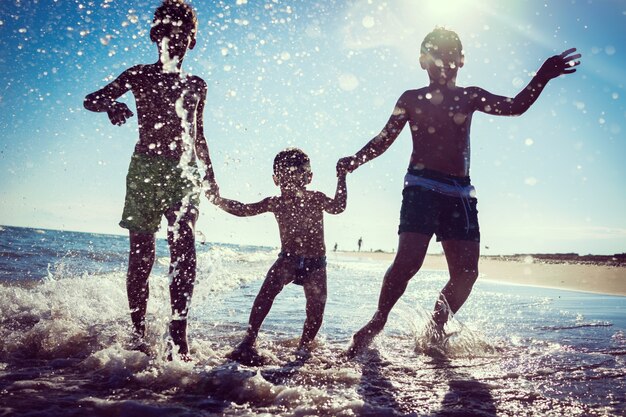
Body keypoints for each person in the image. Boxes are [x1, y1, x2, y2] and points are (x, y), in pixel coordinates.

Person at [338, 28, 581, 356]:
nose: (444, 62)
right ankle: (377, 321)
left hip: (460, 194)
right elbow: (384, 139)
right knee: (408, 262)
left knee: (466, 274)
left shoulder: (470, 96)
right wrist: (355, 160)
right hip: (421, 188)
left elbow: (515, 106)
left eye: (452, 56)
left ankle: (434, 328)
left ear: (461, 61)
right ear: (422, 60)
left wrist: (543, 75)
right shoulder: (410, 99)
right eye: (436, 55)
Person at [83, 0, 217, 360]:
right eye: (169, 33)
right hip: (144, 170)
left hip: (184, 171)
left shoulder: (197, 85)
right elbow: (91, 99)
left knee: (184, 245)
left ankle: (179, 334)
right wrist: (111, 106)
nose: (176, 41)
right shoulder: (138, 74)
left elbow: (197, 133)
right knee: (142, 256)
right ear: (156, 37)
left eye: (184, 34)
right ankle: (137, 333)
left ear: (192, 40)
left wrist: (211, 175)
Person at [211, 148, 348, 365]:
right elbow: (244, 209)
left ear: (308, 177)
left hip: (315, 264)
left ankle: (304, 347)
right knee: (265, 295)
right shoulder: (275, 202)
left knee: (315, 311)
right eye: (285, 176)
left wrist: (341, 177)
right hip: (288, 260)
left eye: (297, 174)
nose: (290, 181)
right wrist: (218, 200)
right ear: (276, 179)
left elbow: (339, 207)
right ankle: (249, 339)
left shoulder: (316, 199)